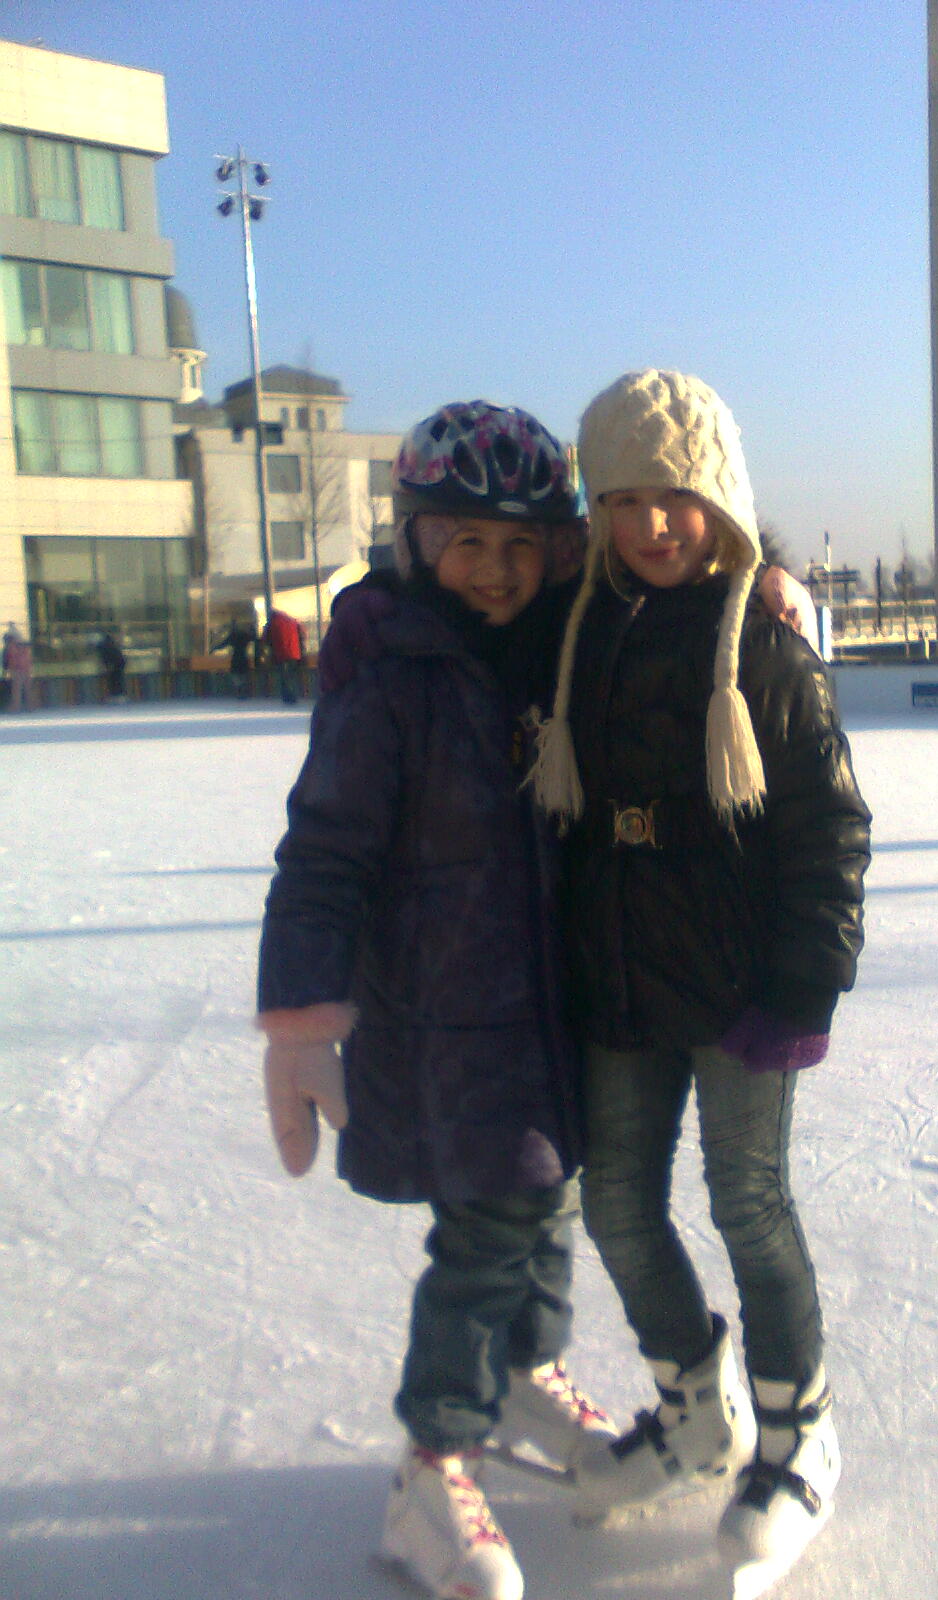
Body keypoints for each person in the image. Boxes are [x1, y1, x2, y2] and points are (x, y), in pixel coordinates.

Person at [256, 402, 615, 1600]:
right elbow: (324, 855)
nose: (496, 570)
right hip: (444, 1023)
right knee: (489, 1233)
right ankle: (435, 1456)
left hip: (548, 1009)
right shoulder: (395, 683)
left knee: (549, 1203)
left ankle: (523, 1370)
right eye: (468, 543)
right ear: (417, 542)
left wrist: (760, 586)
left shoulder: (554, 657)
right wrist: (304, 1019)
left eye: (520, 546)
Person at [532, 370, 871, 1583]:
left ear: (718, 498)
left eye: (673, 497)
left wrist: (806, 983)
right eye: (623, 501)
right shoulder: (580, 633)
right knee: (617, 1206)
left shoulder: (765, 645)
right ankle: (696, 1409)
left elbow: (829, 825)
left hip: (737, 984)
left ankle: (797, 1432)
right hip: (621, 978)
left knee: (747, 1203)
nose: (651, 525)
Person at [264, 607, 305, 702]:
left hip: (281, 654)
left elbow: (266, 638)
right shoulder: (292, 621)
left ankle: (287, 696)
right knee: (292, 675)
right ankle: (294, 695)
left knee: (284, 676)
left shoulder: (272, 623)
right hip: (294, 654)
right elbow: (302, 635)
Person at [213, 613, 256, 698]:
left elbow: (223, 644)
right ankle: (243, 691)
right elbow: (253, 638)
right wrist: (253, 629)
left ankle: (239, 690)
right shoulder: (244, 635)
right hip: (243, 658)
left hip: (236, 658)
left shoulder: (233, 636)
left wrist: (214, 649)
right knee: (243, 675)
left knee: (236, 676)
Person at [2, 622, 33, 712]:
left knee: (16, 690)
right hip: (26, 669)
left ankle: (16, 707)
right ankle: (30, 707)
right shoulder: (25, 647)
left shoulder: (12, 647)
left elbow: (10, 660)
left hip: (17, 669)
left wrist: (6, 671)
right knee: (27, 689)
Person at [96, 631, 126, 701]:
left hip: (115, 664)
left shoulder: (103, 647)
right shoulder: (110, 644)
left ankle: (115, 695)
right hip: (118, 663)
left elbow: (106, 657)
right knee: (117, 680)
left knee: (114, 680)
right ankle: (118, 695)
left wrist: (107, 666)